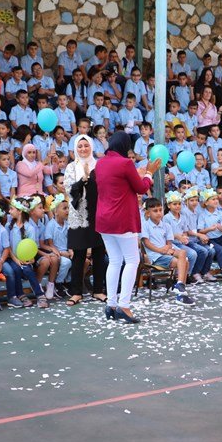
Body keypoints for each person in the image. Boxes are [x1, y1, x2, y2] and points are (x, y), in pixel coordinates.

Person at [95, 131, 161, 323]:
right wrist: (149, 172)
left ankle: (111, 304)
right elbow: (141, 188)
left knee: (115, 261)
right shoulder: (125, 163)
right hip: (122, 219)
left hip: (104, 219)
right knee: (132, 261)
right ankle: (124, 305)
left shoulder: (100, 163)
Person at [63, 134, 107, 306]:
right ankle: (76, 293)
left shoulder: (99, 165)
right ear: (75, 148)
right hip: (79, 215)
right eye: (80, 146)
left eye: (86, 145)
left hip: (98, 213)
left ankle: (98, 290)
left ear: (91, 146)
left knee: (98, 253)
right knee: (79, 255)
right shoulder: (71, 168)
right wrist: (83, 180)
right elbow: (69, 189)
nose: (83, 149)